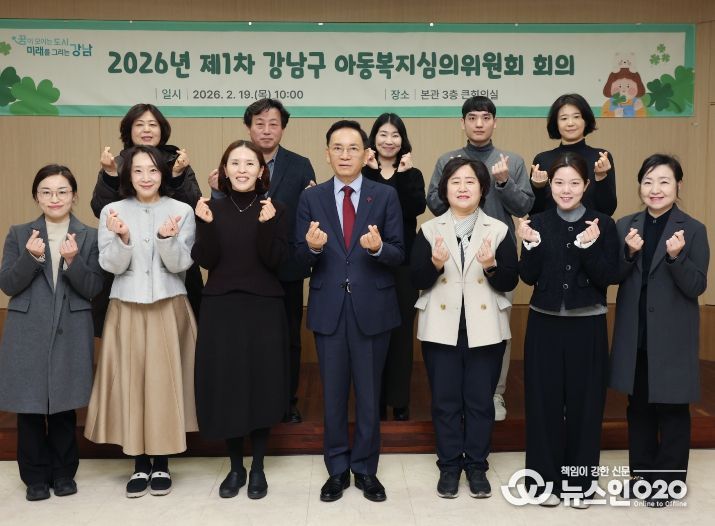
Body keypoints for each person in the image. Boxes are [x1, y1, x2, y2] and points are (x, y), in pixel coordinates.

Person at [295, 120, 404, 503]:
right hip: (329, 307)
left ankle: (366, 469)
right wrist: (312, 247)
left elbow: (399, 252)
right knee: (333, 395)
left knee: (370, 396)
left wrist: (378, 249)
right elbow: (298, 257)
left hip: (372, 307)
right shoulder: (311, 198)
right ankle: (337, 469)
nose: (345, 155)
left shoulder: (385, 195)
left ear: (366, 154)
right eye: (337, 148)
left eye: (353, 148)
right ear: (327, 154)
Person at [84, 145, 198, 498]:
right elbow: (111, 265)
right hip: (126, 305)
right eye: (137, 170)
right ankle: (138, 463)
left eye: (152, 170)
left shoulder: (181, 210)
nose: (146, 177)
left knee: (163, 385)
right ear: (127, 175)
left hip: (168, 303)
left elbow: (181, 264)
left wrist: (166, 238)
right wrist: (123, 238)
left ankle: (162, 462)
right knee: (131, 382)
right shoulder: (112, 211)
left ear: (162, 173)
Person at [412, 157, 518, 499]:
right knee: (445, 402)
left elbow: (510, 280)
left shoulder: (498, 230)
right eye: (455, 181)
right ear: (445, 189)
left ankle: (476, 466)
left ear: (482, 188)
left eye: (470, 181)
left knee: (479, 402)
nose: (462, 187)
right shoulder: (429, 230)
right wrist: (434, 263)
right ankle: (448, 466)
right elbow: (416, 278)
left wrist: (491, 266)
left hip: (485, 328)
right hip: (441, 328)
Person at [518, 152, 618, 508]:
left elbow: (609, 276)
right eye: (559, 182)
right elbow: (527, 276)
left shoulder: (603, 223)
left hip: (587, 325)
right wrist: (530, 244)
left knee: (585, 407)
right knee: (542, 405)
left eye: (574, 182)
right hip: (543, 324)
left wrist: (588, 248)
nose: (566, 189)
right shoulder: (538, 222)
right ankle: (543, 483)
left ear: (586, 185)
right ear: (550, 185)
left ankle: (580, 484)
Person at [610, 154, 709, 506]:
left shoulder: (693, 229)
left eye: (664, 181)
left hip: (672, 338)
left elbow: (696, 286)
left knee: (672, 410)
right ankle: (642, 479)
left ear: (678, 186)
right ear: (639, 185)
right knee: (638, 409)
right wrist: (628, 253)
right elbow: (612, 275)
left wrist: (676, 257)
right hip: (635, 335)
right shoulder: (625, 225)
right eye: (648, 181)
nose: (655, 189)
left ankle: (668, 484)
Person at [427, 96, 534, 422]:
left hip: (494, 257)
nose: (478, 123)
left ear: (495, 122)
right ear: (462, 123)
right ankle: (458, 396)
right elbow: (433, 203)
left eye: (485, 117)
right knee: (452, 328)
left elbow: (524, 206)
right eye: (472, 117)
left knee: (497, 327)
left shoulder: (512, 161)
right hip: (452, 256)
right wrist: (452, 183)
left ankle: (495, 393)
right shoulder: (447, 160)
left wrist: (503, 182)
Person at [0, 165, 103, 501]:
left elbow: (93, 288)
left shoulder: (89, 236)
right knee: (29, 407)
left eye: (62, 191)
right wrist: (31, 257)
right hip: (27, 329)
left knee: (63, 405)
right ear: (36, 197)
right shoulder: (19, 234)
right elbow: (8, 284)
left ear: (74, 196)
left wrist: (73, 262)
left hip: (70, 327)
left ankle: (63, 474)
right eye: (46, 192)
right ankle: (34, 478)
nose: (54, 198)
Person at [209, 98, 315, 424]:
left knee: (288, 339)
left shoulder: (301, 165)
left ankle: (287, 401)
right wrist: (216, 192)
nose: (266, 130)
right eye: (259, 123)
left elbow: (306, 215)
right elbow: (221, 216)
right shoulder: (234, 163)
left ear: (283, 128)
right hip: (243, 270)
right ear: (248, 127)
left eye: (273, 124)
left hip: (286, 265)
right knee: (248, 342)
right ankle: (251, 403)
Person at [193, 140, 289, 499]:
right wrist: (205, 225)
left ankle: (258, 467)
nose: (243, 169)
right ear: (224, 170)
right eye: (235, 163)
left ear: (261, 171)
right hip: (221, 310)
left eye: (250, 163)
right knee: (228, 386)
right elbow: (206, 260)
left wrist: (267, 225)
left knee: (261, 385)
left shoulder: (275, 207)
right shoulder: (210, 207)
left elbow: (275, 260)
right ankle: (236, 468)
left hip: (263, 308)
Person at [90, 103, 203, 333]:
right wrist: (110, 174)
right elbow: (101, 209)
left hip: (171, 273)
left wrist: (178, 175)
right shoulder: (116, 163)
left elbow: (193, 208)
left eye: (153, 124)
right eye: (139, 124)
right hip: (128, 270)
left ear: (162, 129)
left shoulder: (177, 160)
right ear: (129, 130)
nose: (146, 130)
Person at [364, 112, 426, 421]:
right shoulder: (362, 172)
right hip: (369, 260)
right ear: (373, 138)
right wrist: (371, 171)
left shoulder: (412, 173)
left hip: (403, 264)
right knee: (371, 334)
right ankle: (374, 401)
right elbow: (366, 211)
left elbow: (413, 209)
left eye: (395, 135)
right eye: (383, 134)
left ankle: (400, 401)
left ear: (403, 139)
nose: (389, 141)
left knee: (401, 335)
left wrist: (402, 175)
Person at [530, 93, 617, 216]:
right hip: (551, 227)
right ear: (556, 123)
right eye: (564, 118)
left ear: (585, 120)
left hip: (592, 227)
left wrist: (601, 177)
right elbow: (534, 212)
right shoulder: (542, 159)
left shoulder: (601, 158)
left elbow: (608, 210)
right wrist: (537, 187)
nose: (570, 123)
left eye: (576, 117)